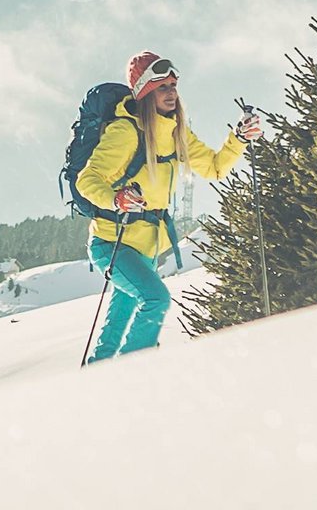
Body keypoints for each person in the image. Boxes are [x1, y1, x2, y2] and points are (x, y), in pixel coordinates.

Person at [76, 51, 260, 362]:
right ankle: (134, 369)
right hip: (112, 243)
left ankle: (98, 374)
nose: (171, 93)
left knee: (119, 320)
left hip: (147, 248)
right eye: (162, 87)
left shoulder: (176, 132)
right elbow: (87, 179)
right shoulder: (125, 132)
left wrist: (238, 139)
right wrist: (116, 199)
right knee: (155, 299)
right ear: (146, 92)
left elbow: (214, 167)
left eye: (173, 85)